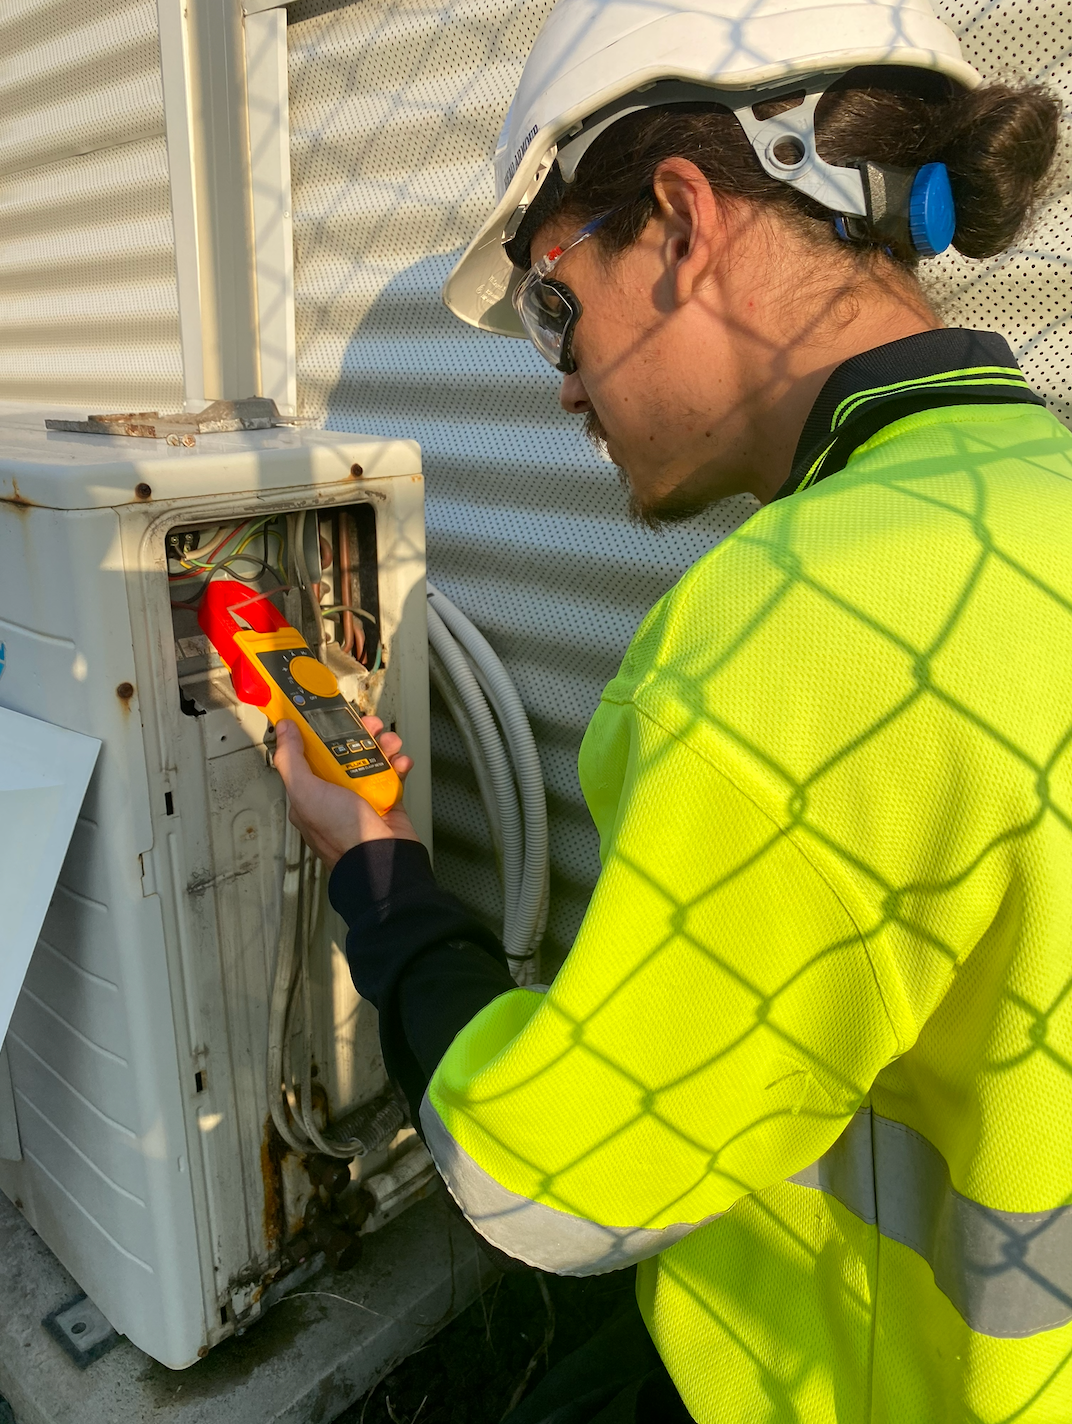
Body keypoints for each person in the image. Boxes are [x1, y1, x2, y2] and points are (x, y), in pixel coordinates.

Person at [273, 1, 1072, 1418]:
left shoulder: (799, 618)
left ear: (687, 222)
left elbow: (554, 1182)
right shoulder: (1035, 499)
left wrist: (377, 869)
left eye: (549, 302)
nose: (563, 378)